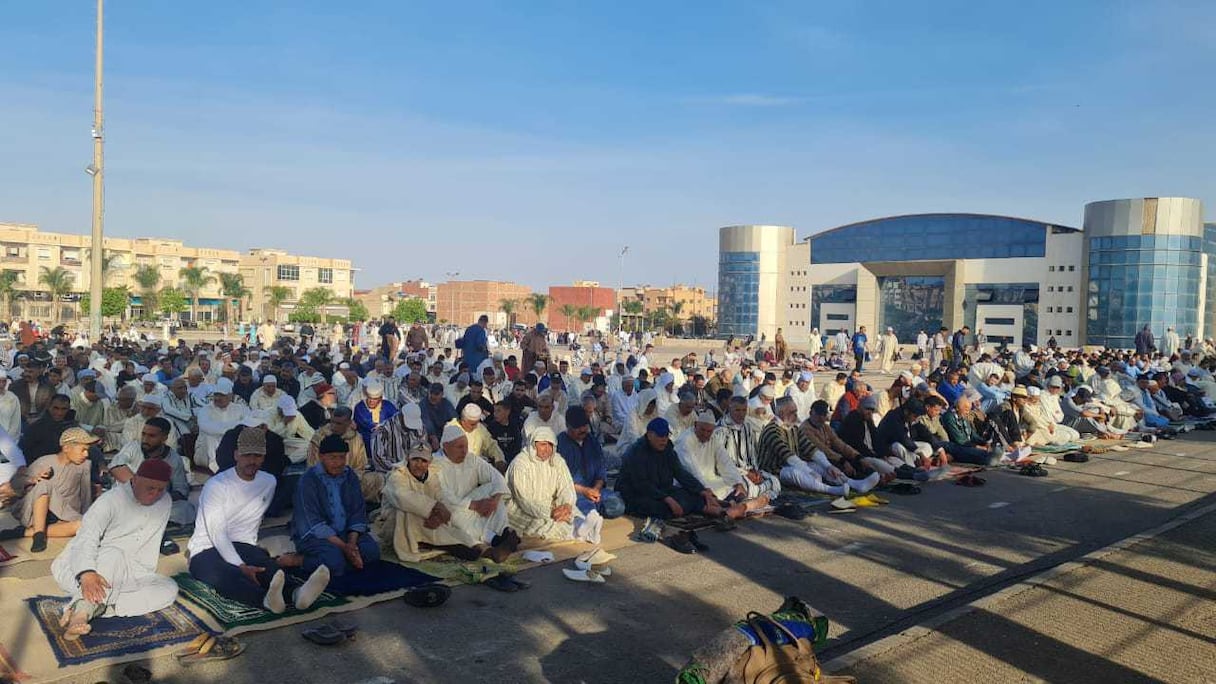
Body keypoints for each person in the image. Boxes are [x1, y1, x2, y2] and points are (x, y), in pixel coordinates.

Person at [188, 428, 331, 613]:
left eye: (257, 456)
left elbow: (253, 522)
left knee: (267, 567)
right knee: (226, 575)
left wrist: (252, 556)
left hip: (243, 544)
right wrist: (240, 565)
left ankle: (297, 594)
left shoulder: (268, 481)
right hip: (205, 548)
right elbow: (217, 533)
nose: (252, 461)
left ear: (263, 457)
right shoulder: (216, 485)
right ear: (236, 455)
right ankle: (264, 600)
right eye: (247, 455)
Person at [50, 459, 179, 639]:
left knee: (169, 589)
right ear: (136, 479)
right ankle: (81, 613)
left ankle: (101, 607)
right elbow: (85, 539)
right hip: (90, 567)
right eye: (150, 488)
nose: (155, 494)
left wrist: (136, 572)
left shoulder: (165, 501)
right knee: (113, 555)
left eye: (160, 489)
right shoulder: (110, 501)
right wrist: (87, 574)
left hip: (130, 572)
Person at [291, 434, 381, 591]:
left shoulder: (350, 476)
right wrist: (345, 548)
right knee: (334, 562)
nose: (338, 463)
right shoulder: (308, 480)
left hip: (346, 533)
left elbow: (357, 511)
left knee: (372, 553)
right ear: (321, 457)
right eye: (332, 458)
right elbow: (313, 522)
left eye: (341, 457)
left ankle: (343, 557)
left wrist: (351, 544)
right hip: (315, 535)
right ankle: (297, 560)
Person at [1, 427, 98, 551]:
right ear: (66, 448)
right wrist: (33, 479)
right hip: (35, 513)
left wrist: (86, 516)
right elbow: (15, 484)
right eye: (83, 450)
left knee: (81, 525)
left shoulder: (85, 466)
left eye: (87, 450)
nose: (86, 454)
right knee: (44, 485)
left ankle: (25, 533)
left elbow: (85, 495)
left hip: (65, 514)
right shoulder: (45, 461)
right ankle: (39, 535)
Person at [758, 397, 880, 495]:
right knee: (795, 473)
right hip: (774, 470)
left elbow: (811, 448)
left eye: (796, 412)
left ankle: (853, 484)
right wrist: (808, 471)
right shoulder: (772, 430)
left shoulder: (793, 428)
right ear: (781, 413)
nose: (796, 415)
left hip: (793, 464)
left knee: (821, 467)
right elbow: (788, 456)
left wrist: (828, 466)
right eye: (792, 412)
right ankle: (831, 490)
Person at [616, 418, 723, 520]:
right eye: (660, 436)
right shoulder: (636, 452)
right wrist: (667, 499)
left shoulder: (667, 448)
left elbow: (680, 473)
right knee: (659, 507)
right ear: (649, 435)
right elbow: (641, 484)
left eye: (666, 435)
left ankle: (718, 511)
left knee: (692, 494)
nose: (664, 439)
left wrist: (701, 490)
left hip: (662, 489)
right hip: (637, 492)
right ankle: (705, 509)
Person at [505, 427, 593, 542]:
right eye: (543, 445)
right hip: (522, 507)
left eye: (550, 445)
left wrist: (566, 505)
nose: (547, 449)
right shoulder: (520, 464)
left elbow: (567, 487)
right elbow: (524, 501)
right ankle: (579, 532)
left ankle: (583, 528)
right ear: (533, 445)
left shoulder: (557, 460)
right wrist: (552, 512)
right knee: (543, 523)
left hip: (553, 504)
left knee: (572, 512)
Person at [108, 417, 196, 525]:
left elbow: (181, 490)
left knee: (185, 509)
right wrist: (141, 488)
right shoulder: (133, 447)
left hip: (156, 503)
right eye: (143, 434)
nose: (145, 439)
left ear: (164, 438)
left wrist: (157, 496)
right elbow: (115, 467)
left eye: (151, 436)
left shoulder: (174, 459)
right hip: (129, 500)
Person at [675, 411, 756, 514]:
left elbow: (725, 462)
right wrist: (706, 490)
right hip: (691, 483)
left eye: (709, 431)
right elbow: (692, 470)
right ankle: (728, 508)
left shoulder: (714, 438)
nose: (705, 434)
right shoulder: (685, 441)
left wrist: (737, 483)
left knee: (736, 489)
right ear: (695, 425)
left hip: (710, 480)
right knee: (697, 497)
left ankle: (729, 506)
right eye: (702, 430)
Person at [557, 406, 625, 519]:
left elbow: (600, 468)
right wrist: (585, 491)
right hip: (574, 493)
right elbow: (560, 481)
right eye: (578, 427)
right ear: (568, 426)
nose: (583, 430)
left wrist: (596, 489)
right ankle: (588, 512)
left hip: (595, 490)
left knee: (617, 506)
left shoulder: (591, 441)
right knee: (586, 511)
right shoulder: (560, 444)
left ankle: (591, 511)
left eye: (585, 426)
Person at [308, 407, 379, 503]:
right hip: (325, 481)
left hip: (349, 480)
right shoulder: (319, 437)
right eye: (332, 422)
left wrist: (348, 479)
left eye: (338, 424)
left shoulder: (356, 438)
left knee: (376, 479)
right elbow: (312, 466)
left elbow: (360, 466)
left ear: (349, 423)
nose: (334, 426)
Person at [196, 378, 249, 472]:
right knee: (210, 436)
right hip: (205, 453)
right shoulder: (205, 410)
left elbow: (247, 424)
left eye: (221, 395)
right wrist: (233, 428)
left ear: (230, 396)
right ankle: (217, 469)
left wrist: (224, 429)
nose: (217, 398)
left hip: (232, 451)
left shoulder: (240, 409)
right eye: (216, 395)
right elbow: (207, 428)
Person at [354, 381, 399, 455]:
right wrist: (382, 426)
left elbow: (395, 419)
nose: (371, 401)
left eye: (374, 399)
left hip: (386, 444)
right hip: (366, 445)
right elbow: (366, 424)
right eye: (369, 398)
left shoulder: (388, 406)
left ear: (380, 398)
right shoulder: (360, 407)